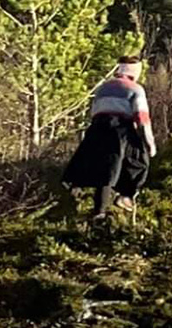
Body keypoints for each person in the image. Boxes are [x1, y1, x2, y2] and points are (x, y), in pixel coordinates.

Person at [62, 58, 157, 219]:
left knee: (104, 170)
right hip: (120, 129)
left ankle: (96, 210)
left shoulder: (102, 88)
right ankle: (125, 197)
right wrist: (150, 144)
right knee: (139, 162)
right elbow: (142, 119)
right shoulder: (136, 89)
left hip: (97, 128)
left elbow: (94, 111)